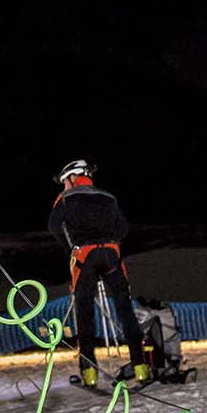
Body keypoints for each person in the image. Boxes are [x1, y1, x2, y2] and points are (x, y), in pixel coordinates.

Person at [47, 160, 147, 388]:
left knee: (84, 315)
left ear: (73, 177)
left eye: (64, 181)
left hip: (84, 257)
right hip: (112, 255)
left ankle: (89, 372)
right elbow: (123, 228)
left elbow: (54, 226)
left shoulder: (66, 198)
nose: (63, 186)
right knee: (125, 310)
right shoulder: (108, 197)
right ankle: (141, 367)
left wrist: (71, 246)